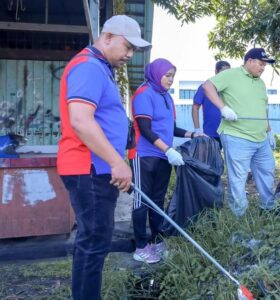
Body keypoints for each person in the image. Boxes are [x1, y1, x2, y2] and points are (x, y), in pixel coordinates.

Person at [57, 15, 151, 300]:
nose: (130, 55)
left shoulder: (99, 67)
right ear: (107, 36)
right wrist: (116, 162)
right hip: (89, 167)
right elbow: (81, 121)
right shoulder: (88, 67)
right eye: (127, 46)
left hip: (93, 167)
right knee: (94, 241)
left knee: (93, 240)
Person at [128, 58, 204, 263]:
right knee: (142, 199)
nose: (171, 80)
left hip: (163, 155)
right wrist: (169, 149)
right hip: (143, 154)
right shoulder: (144, 94)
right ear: (156, 74)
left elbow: (170, 128)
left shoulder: (167, 98)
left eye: (173, 76)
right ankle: (141, 246)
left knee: (158, 200)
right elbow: (145, 129)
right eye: (168, 75)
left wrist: (192, 134)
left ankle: (157, 241)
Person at [202, 48, 278, 217]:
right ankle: (240, 216)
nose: (263, 68)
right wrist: (223, 108)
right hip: (237, 136)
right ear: (249, 61)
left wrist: (268, 130)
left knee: (267, 172)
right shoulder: (231, 75)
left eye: (265, 65)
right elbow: (207, 86)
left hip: (261, 138)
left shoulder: (260, 83)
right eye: (260, 63)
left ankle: (268, 208)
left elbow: (263, 108)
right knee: (238, 178)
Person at [192, 61, 231, 148]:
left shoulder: (230, 88)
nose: (226, 76)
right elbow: (195, 107)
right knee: (211, 160)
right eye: (223, 72)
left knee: (231, 161)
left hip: (229, 132)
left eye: (228, 73)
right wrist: (197, 129)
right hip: (211, 133)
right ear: (216, 72)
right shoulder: (205, 87)